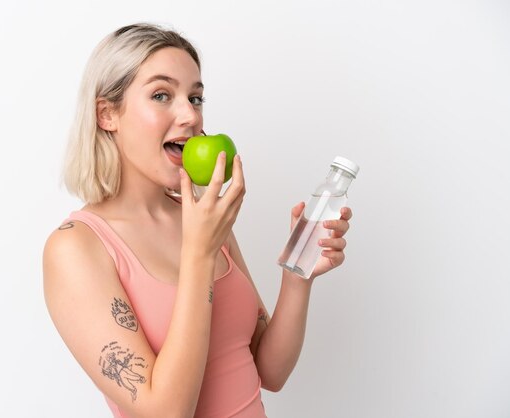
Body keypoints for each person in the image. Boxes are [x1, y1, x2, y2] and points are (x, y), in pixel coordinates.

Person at [43, 23, 353, 418]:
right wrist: (199, 254)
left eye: (196, 97)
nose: (190, 115)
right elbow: (167, 413)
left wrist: (299, 274)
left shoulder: (203, 218)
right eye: (161, 95)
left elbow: (270, 371)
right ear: (107, 114)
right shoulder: (76, 248)